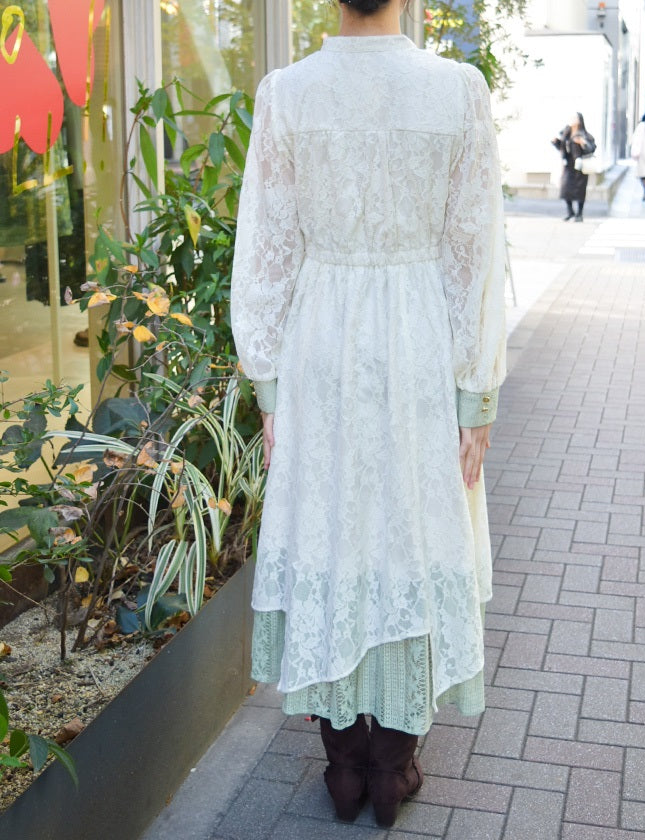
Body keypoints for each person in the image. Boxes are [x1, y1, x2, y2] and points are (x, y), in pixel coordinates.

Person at [230, 0, 506, 828]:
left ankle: (344, 766)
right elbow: (475, 252)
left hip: (320, 344)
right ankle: (392, 766)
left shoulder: (287, 93)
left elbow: (266, 251)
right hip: (419, 344)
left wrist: (269, 385)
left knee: (332, 533)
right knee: (411, 535)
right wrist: (476, 393)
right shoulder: (457, 91)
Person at [552, 113, 596, 222]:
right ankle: (570, 212)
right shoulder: (566, 133)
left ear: (580, 120)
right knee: (566, 188)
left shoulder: (584, 135)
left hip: (581, 167)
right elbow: (562, 148)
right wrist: (556, 142)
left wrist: (583, 143)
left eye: (574, 118)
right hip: (568, 165)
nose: (572, 120)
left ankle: (579, 214)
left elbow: (592, 148)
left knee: (580, 190)